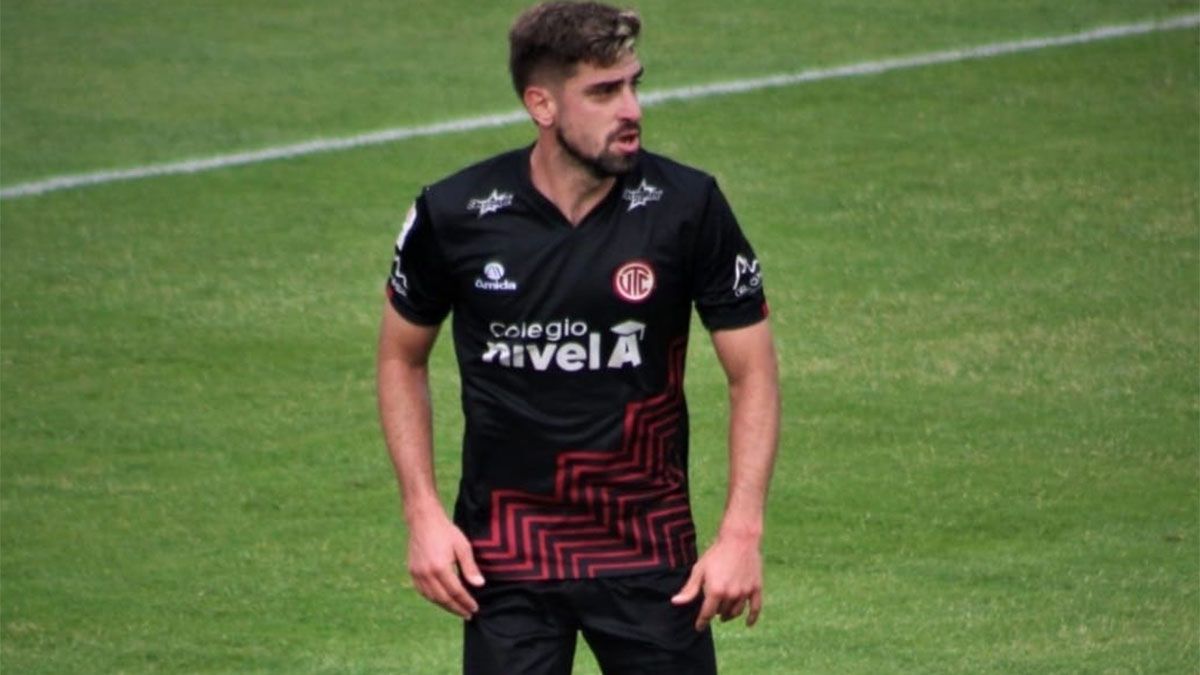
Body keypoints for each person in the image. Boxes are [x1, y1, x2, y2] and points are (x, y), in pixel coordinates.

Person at [376, 2, 780, 672]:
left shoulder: (687, 207)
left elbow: (753, 371)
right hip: (505, 558)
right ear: (541, 104)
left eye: (633, 85)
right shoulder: (454, 214)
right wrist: (422, 514)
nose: (631, 109)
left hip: (649, 554)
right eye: (603, 92)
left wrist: (742, 533)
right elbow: (400, 356)